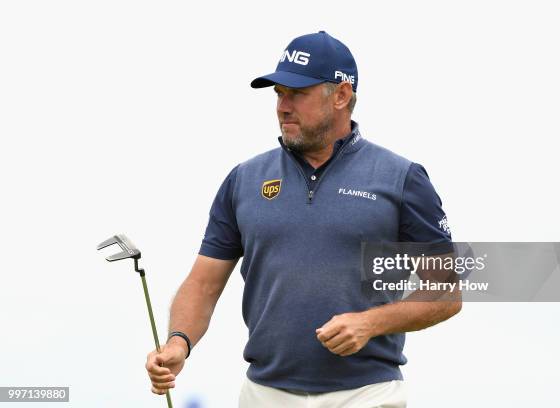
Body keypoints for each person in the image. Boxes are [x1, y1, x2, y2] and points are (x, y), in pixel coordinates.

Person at [145, 31, 461, 407]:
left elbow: (447, 293)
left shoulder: (401, 178)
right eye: (279, 93)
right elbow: (203, 285)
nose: (283, 106)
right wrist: (179, 342)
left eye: (298, 93)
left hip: (366, 395)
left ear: (341, 96)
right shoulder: (244, 180)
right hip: (264, 394)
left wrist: (369, 323)